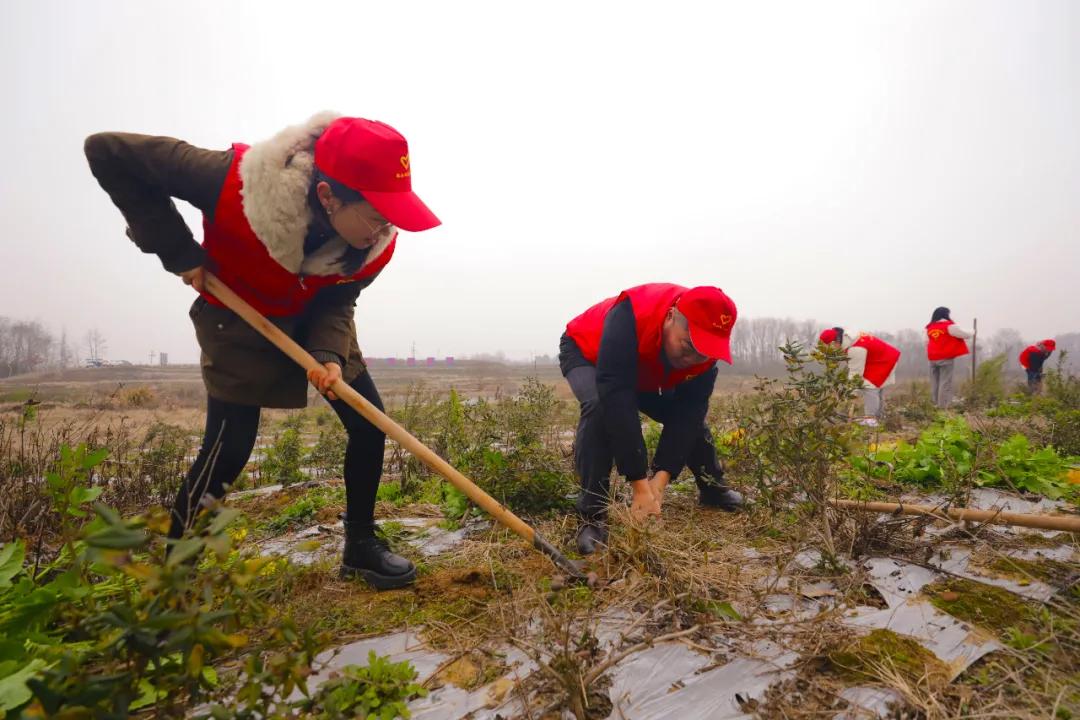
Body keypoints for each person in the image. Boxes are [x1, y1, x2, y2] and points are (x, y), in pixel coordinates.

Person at [85, 113, 441, 589]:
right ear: (328, 195)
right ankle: (174, 581)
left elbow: (339, 299)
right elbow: (108, 151)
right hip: (237, 315)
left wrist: (329, 355)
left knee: (369, 424)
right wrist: (178, 250)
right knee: (228, 450)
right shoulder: (231, 181)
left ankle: (360, 547)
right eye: (377, 215)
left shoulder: (375, 244)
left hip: (313, 316)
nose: (384, 231)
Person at [558, 283, 745, 555]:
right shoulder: (629, 317)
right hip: (590, 352)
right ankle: (592, 515)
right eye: (688, 345)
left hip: (644, 365)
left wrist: (660, 479)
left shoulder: (703, 354)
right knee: (600, 407)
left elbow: (689, 413)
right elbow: (617, 399)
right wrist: (639, 485)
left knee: (688, 418)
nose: (694, 358)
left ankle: (713, 489)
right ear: (670, 317)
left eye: (704, 351)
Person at [818, 328, 900, 426]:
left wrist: (852, 392)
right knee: (876, 387)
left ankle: (871, 419)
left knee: (869, 386)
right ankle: (879, 417)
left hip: (883, 361)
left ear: (836, 342)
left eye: (830, 346)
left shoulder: (855, 348)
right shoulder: (847, 339)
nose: (831, 349)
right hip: (880, 357)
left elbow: (855, 374)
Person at [925, 307, 972, 409]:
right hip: (945, 358)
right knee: (945, 383)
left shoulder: (929, 327)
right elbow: (965, 334)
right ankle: (942, 408)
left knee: (935, 383)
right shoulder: (949, 326)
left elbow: (926, 342)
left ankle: (935, 405)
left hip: (932, 358)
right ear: (946, 314)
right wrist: (973, 331)